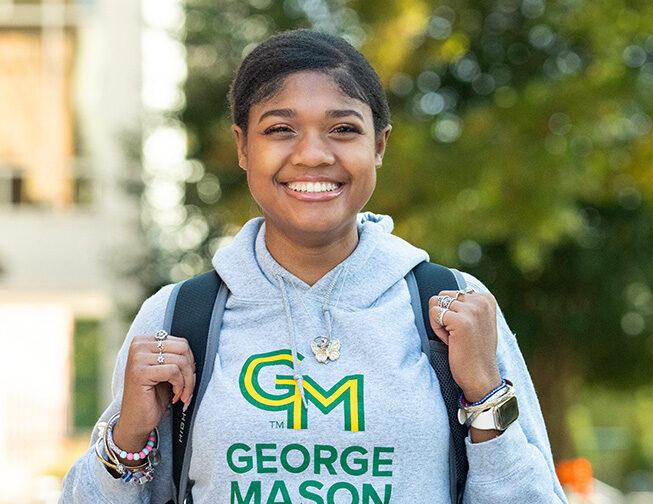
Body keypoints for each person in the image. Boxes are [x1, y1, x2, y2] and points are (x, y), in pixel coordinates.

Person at [60, 28, 567, 503]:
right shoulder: (179, 317)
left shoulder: (454, 307)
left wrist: (484, 393)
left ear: (379, 145)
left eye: (343, 128)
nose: (312, 154)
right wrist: (128, 435)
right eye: (280, 129)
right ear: (242, 146)